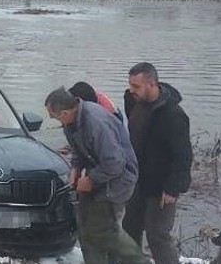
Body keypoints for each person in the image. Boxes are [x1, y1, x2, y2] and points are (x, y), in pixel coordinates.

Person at [45, 87, 149, 264]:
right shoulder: (70, 123)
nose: (54, 120)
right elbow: (78, 151)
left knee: (104, 231)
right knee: (86, 230)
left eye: (54, 116)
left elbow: (115, 163)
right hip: (98, 175)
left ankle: (139, 261)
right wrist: (75, 169)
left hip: (116, 182)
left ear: (65, 113)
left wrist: (91, 180)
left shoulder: (96, 122)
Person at [123, 62, 193, 264]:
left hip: (162, 186)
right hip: (137, 180)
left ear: (152, 84)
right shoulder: (133, 100)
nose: (131, 90)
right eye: (130, 84)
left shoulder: (174, 116)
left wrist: (172, 188)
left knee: (157, 236)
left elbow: (183, 156)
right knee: (129, 229)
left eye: (136, 86)